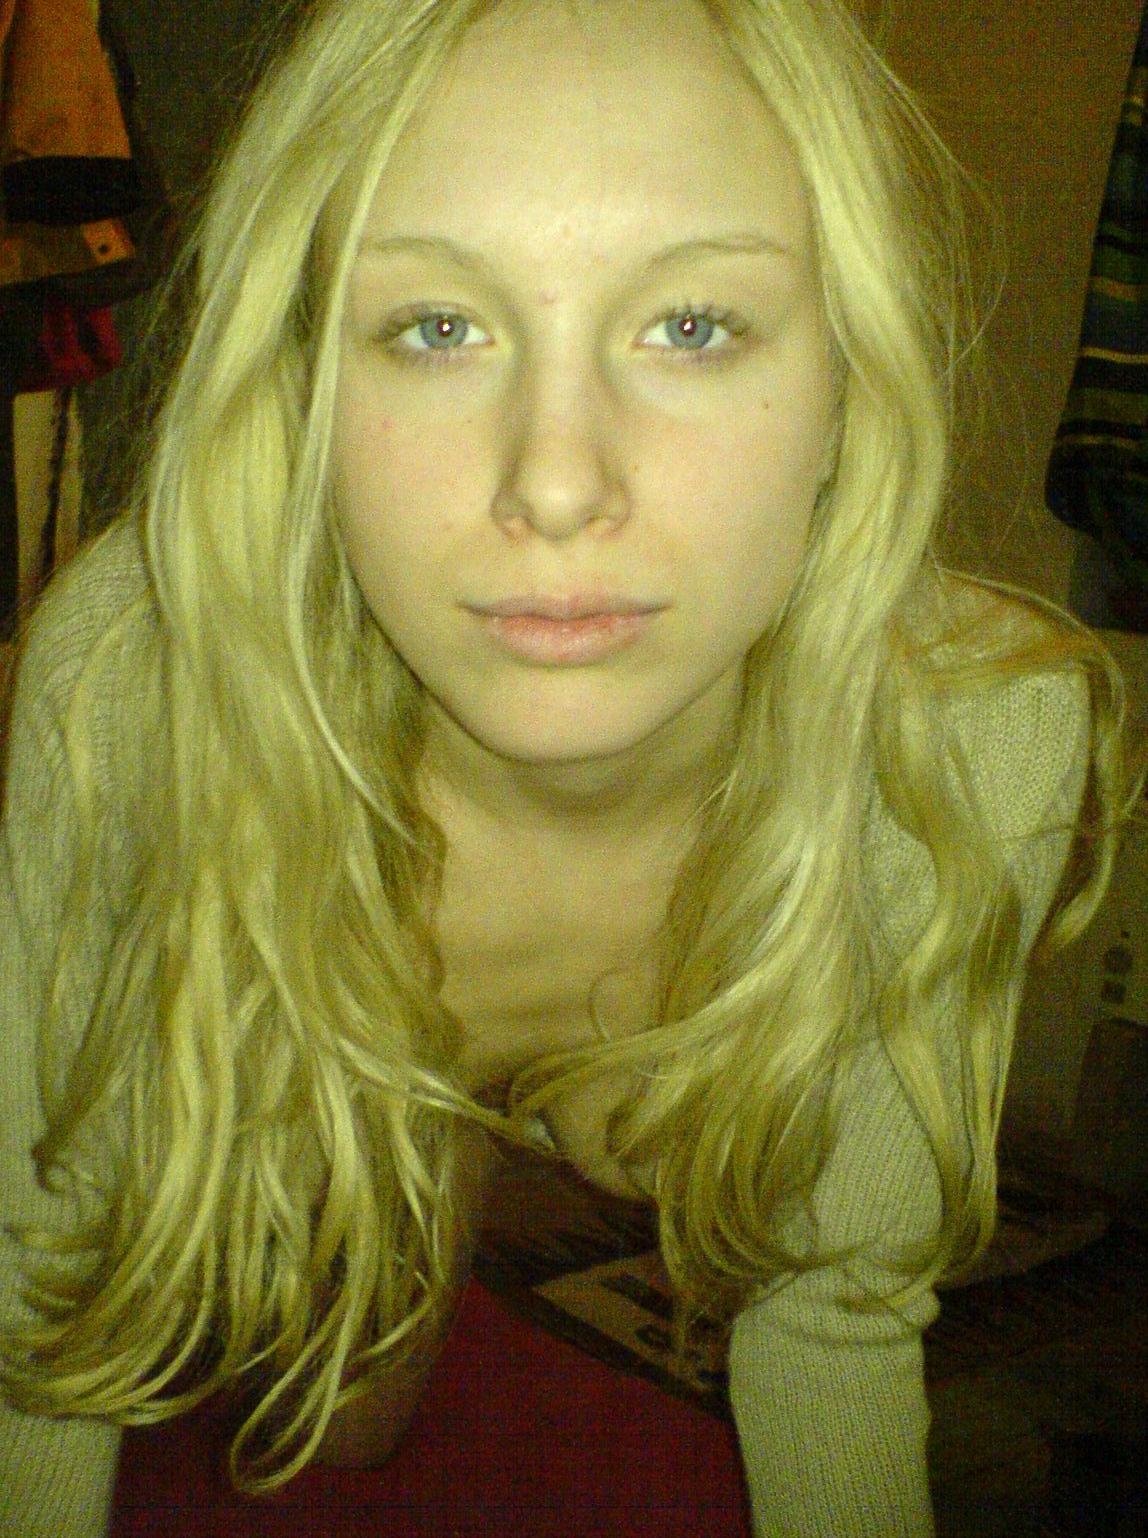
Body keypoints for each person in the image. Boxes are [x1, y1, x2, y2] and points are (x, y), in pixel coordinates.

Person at [0, 0, 1135, 1533]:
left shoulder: (971, 738)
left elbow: (836, 1320)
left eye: (692, 324)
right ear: (309, 389)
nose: (552, 480)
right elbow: (37, 1283)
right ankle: (419, 1116)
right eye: (437, 326)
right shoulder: (137, 673)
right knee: (329, 1424)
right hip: (336, 922)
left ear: (846, 385)